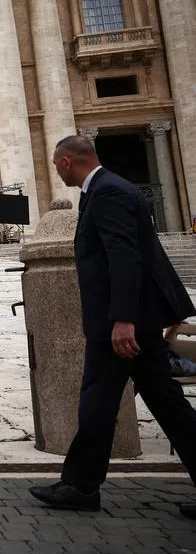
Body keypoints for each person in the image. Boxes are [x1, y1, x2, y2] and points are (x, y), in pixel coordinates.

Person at [29, 135, 196, 519]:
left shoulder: (107, 193)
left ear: (68, 161)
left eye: (57, 164)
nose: (55, 170)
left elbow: (124, 258)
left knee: (102, 403)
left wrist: (123, 320)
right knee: (148, 403)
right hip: (127, 322)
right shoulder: (107, 189)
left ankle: (80, 486)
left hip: (121, 324)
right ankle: (80, 484)